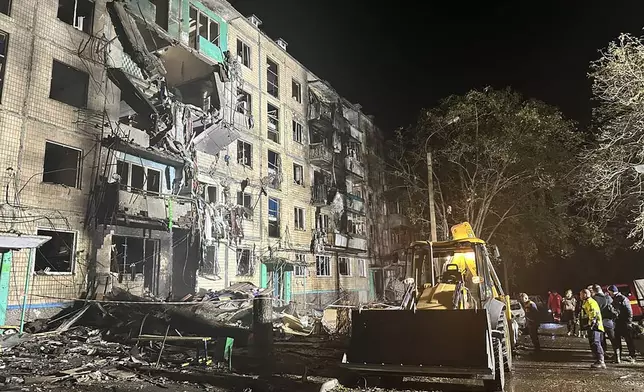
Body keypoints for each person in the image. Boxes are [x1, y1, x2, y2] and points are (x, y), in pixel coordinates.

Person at [607, 285, 636, 363]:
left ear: (612, 292)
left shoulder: (621, 298)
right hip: (618, 322)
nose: (609, 294)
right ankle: (618, 355)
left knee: (628, 339)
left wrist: (629, 322)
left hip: (624, 322)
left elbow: (628, 311)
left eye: (609, 292)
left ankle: (632, 355)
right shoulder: (617, 298)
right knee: (618, 339)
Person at [591, 284, 619, 362]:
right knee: (613, 339)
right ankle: (617, 356)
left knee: (601, 339)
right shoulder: (608, 297)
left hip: (600, 322)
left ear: (594, 291)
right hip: (609, 322)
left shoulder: (594, 299)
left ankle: (603, 355)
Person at [580, 288, 606, 368]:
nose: (580, 296)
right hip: (593, 325)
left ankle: (601, 361)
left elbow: (593, 313)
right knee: (594, 342)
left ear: (585, 294)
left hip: (595, 326)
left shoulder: (590, 302)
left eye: (581, 294)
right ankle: (599, 360)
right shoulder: (587, 302)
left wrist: (591, 324)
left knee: (596, 342)